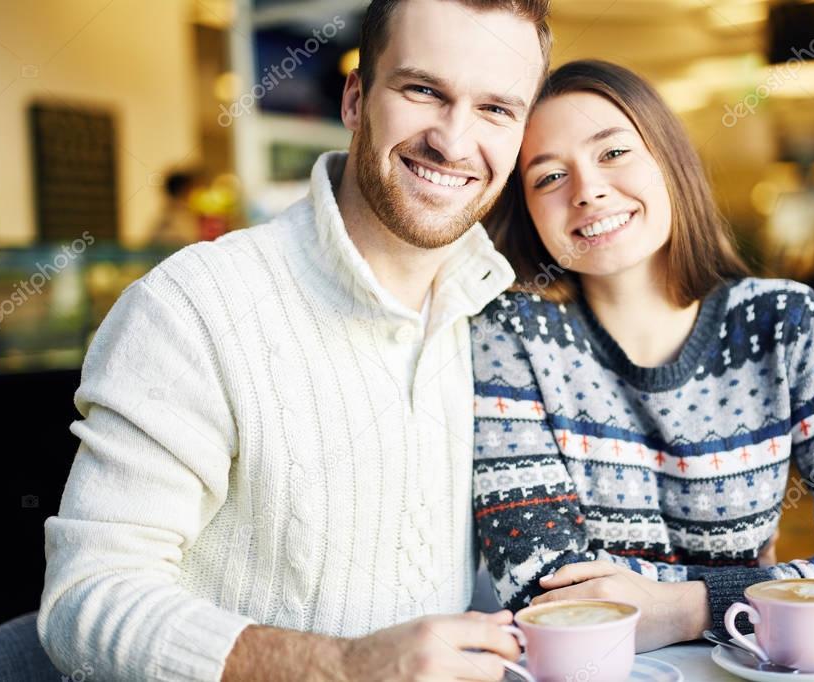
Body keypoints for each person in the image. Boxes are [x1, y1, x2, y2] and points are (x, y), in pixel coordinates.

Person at [38, 1, 549, 680]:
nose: (453, 143)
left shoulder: (492, 318)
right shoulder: (194, 305)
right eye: (423, 90)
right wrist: (342, 667)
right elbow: (85, 601)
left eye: (495, 110)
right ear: (356, 99)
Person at [470, 60, 814, 653]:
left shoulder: (783, 322)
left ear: (669, 158)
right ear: (528, 210)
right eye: (547, 177)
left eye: (613, 152)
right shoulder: (511, 333)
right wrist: (769, 591)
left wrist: (688, 607)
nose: (586, 190)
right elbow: (546, 597)